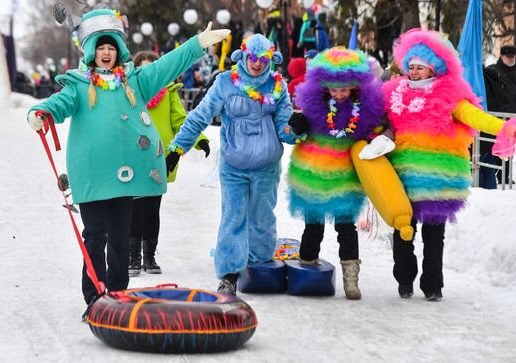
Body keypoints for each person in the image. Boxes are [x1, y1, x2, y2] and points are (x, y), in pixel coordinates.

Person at [26, 7, 228, 320]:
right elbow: (59, 103)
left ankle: (117, 296)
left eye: (111, 47)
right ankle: (94, 299)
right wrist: (41, 113)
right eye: (100, 47)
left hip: (125, 176)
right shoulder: (79, 83)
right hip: (92, 174)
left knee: (120, 238)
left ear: (118, 50)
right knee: (95, 236)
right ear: (91, 50)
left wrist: (197, 43)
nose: (106, 53)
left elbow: (167, 65)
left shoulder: (134, 81)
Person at [375, 29, 516, 301]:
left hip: (438, 178)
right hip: (402, 177)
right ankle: (404, 277)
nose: (413, 73)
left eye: (420, 68)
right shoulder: (393, 94)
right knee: (403, 231)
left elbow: (476, 117)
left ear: (433, 69)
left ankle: (433, 285)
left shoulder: (449, 96)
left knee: (434, 236)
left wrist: (505, 128)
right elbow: (373, 119)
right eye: (410, 67)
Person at [167, 34, 301, 295]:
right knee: (233, 217)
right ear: (243, 56)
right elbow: (200, 117)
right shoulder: (225, 82)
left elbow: (284, 130)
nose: (258, 64)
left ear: (270, 59)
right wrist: (177, 147)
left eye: (263, 59)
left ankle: (260, 268)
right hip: (234, 166)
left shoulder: (277, 86)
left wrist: (297, 128)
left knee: (262, 219)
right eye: (253, 58)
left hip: (266, 166)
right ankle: (229, 273)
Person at [286, 47, 385, 299]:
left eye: (344, 89)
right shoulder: (314, 106)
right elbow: (300, 129)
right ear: (324, 87)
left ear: (355, 87)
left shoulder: (364, 110)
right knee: (314, 225)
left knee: (345, 227)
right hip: (315, 173)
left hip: (345, 176)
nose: (339, 94)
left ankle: (351, 280)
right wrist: (298, 125)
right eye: (334, 88)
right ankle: (306, 271)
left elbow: (373, 132)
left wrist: (379, 138)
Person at [128, 51, 211, 276]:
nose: (149, 74)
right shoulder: (129, 94)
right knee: (134, 208)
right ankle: (133, 257)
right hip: (133, 158)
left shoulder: (169, 94)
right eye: (143, 70)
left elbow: (181, 120)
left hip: (158, 158)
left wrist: (200, 139)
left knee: (152, 209)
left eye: (153, 68)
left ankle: (150, 257)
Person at [482, 45, 516, 189]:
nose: (510, 59)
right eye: (508, 56)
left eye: (513, 56)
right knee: (493, 145)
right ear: (501, 56)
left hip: (514, 114)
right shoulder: (492, 71)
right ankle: (494, 172)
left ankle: (504, 175)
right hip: (497, 115)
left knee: (510, 146)